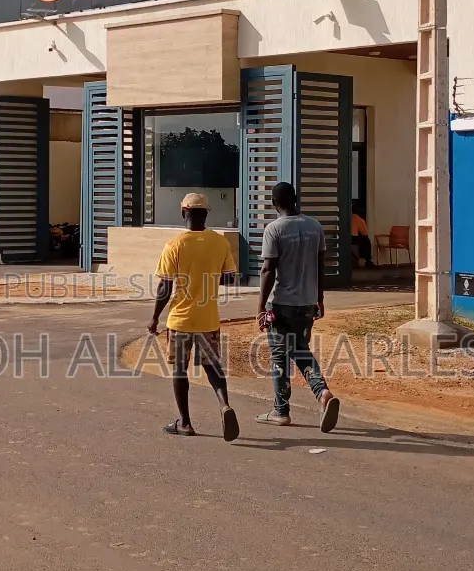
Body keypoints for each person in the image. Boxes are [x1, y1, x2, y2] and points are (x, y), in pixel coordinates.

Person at [147, 192, 240, 441]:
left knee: (179, 370)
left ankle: (185, 422)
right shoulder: (220, 243)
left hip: (180, 320)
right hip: (208, 319)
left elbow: (164, 287)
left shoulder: (174, 245)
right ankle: (224, 405)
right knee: (213, 367)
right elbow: (230, 278)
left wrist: (155, 317)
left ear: (183, 212)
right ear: (206, 213)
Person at [255, 180, 339, 432]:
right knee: (301, 350)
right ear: (295, 199)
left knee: (280, 355)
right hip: (306, 304)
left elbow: (268, 270)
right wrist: (320, 299)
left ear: (273, 204)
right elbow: (320, 266)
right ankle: (322, 392)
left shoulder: (274, 229)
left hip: (281, 304)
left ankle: (281, 411)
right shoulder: (315, 227)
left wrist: (260, 307)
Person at [351, 203, 374, 269]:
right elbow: (365, 234)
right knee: (366, 241)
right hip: (353, 238)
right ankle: (368, 260)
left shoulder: (346, 218)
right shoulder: (360, 220)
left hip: (344, 238)